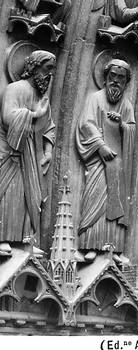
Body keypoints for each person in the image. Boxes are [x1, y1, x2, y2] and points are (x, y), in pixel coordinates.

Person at [76, 59, 135, 259]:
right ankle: (90, 245)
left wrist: (122, 125)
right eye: (113, 76)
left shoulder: (126, 105)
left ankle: (113, 247)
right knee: (95, 199)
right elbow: (86, 124)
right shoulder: (95, 98)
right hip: (99, 161)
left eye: (121, 78)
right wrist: (100, 146)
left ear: (126, 82)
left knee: (115, 201)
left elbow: (132, 131)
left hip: (117, 163)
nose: (116, 82)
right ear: (105, 78)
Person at [0, 51, 55, 255]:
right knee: (11, 193)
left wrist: (48, 151)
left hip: (31, 153)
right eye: (47, 69)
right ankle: (3, 238)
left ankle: (26, 239)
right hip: (10, 150)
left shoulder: (42, 97)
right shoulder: (15, 89)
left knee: (29, 195)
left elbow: (49, 125)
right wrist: (34, 114)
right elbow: (8, 117)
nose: (50, 75)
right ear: (34, 67)